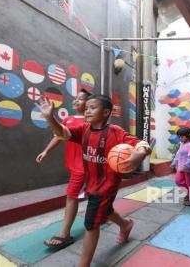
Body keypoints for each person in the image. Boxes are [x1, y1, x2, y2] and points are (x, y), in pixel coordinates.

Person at [35, 94, 151, 267]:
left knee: (91, 223)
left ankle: (83, 264)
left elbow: (142, 144)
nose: (87, 110)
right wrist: (50, 118)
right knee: (106, 211)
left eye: (92, 107)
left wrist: (139, 154)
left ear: (105, 112)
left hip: (107, 185)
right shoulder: (84, 129)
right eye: (87, 107)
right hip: (91, 183)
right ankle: (125, 225)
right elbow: (62, 133)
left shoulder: (115, 132)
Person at [36, 89, 91, 249]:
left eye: (80, 99)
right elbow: (58, 135)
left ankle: (64, 233)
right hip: (73, 165)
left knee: (71, 196)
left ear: (89, 104)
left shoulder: (90, 122)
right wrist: (46, 151)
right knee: (94, 195)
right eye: (75, 98)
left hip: (83, 166)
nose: (76, 101)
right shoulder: (68, 119)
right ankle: (112, 216)